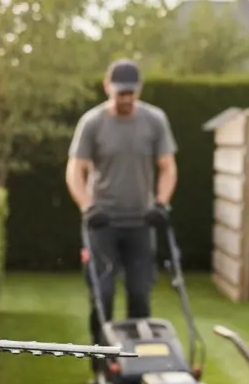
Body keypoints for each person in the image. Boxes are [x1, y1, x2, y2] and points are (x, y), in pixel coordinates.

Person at [64, 59, 178, 348]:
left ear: (138, 89)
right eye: (120, 93)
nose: (125, 99)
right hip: (103, 223)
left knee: (139, 293)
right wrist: (87, 206)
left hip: (141, 223)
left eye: (130, 93)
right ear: (107, 87)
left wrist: (161, 203)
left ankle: (136, 359)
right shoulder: (93, 122)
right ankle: (101, 360)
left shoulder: (155, 120)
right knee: (102, 294)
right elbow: (75, 170)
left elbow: (167, 166)